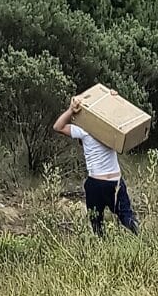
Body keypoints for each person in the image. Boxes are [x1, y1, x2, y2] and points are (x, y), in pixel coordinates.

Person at [53, 89, 139, 237]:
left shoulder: (84, 131)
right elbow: (121, 117)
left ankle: (101, 248)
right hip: (115, 182)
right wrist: (114, 100)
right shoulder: (112, 129)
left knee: (96, 224)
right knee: (127, 217)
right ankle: (142, 241)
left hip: (96, 183)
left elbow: (57, 127)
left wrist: (70, 110)